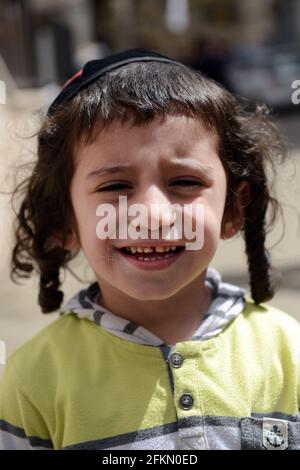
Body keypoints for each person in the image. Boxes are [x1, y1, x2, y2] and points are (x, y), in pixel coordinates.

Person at [0, 49, 299, 450]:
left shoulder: (288, 353)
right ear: (64, 222)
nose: (153, 215)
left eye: (185, 182)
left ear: (233, 209)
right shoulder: (31, 381)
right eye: (115, 187)